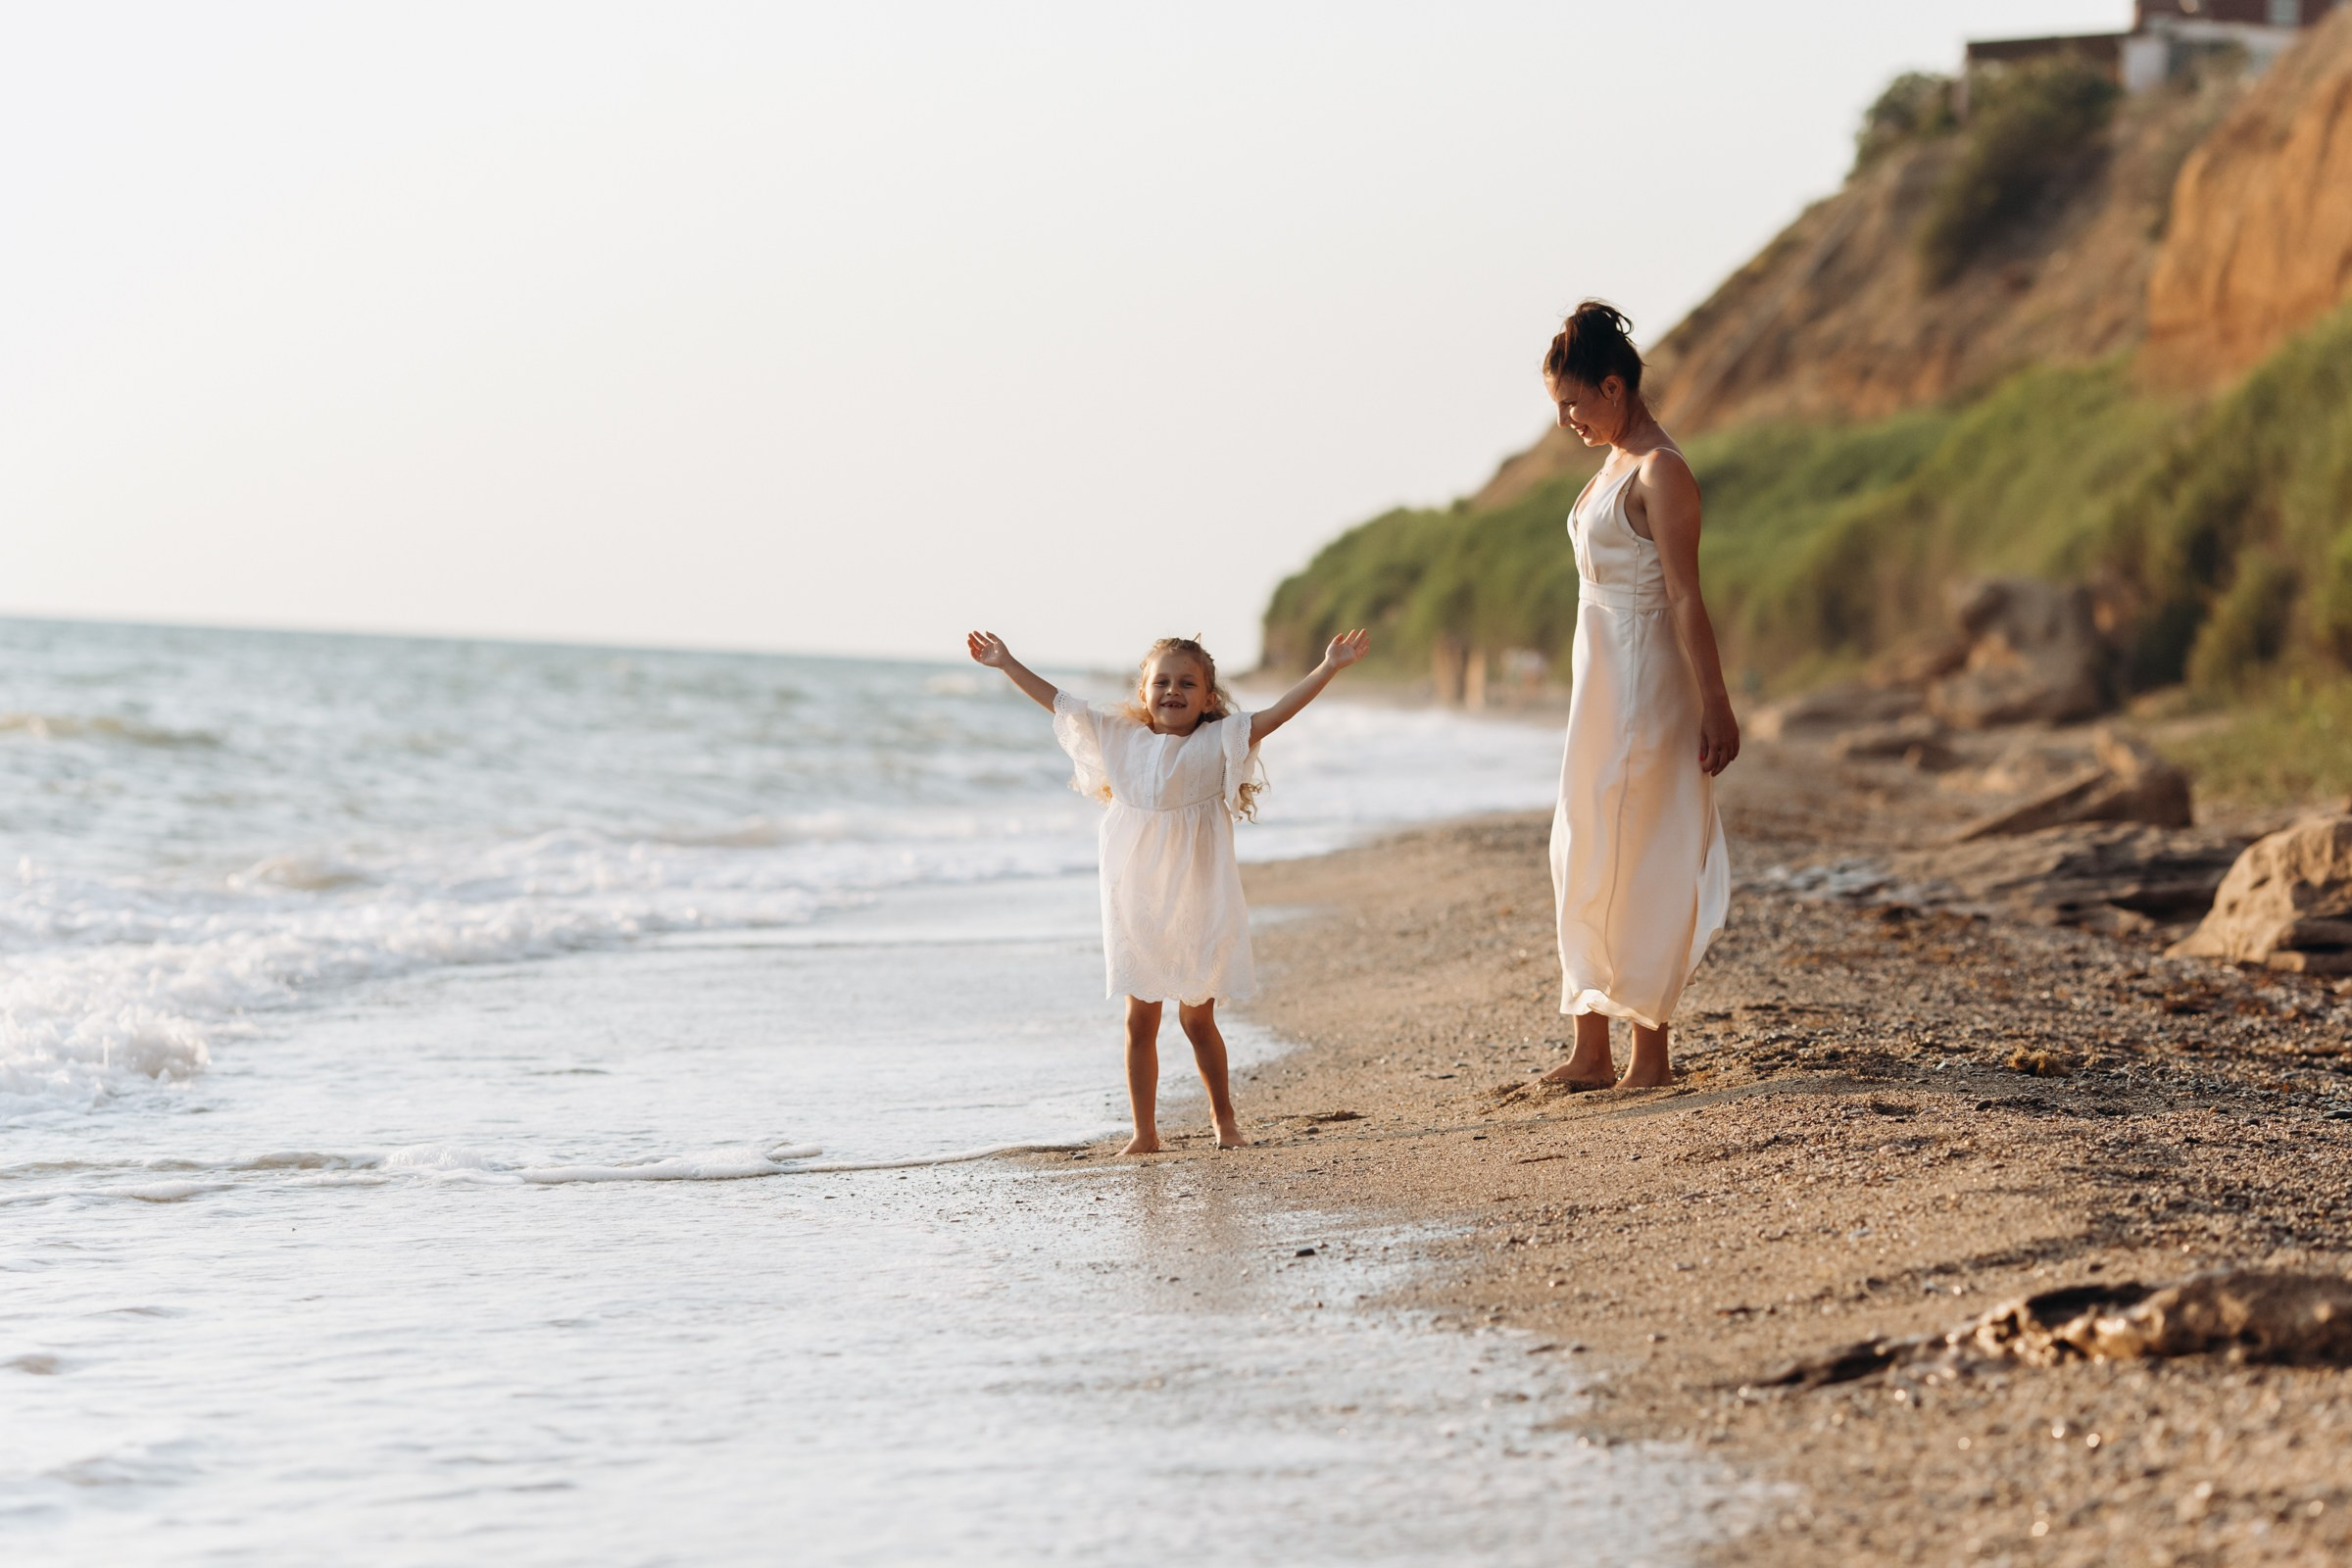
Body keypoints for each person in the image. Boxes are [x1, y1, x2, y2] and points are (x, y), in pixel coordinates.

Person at [966, 627, 1369, 1152]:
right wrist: (1007, 662)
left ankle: (1224, 1121)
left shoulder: (1218, 741)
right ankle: (1144, 1133)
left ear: (1208, 698)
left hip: (1199, 894)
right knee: (1140, 1018)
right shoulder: (1120, 737)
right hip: (1136, 897)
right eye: (1161, 682)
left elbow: (1278, 714)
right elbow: (1060, 704)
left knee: (1197, 1016)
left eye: (1186, 683)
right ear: (1143, 692)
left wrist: (1329, 667)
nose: (1172, 691)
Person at [1539, 301, 1737, 1092]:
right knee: (1580, 844)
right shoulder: (1612, 465)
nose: (1566, 421)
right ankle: (1590, 1047)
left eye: (1574, 403)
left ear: (1614, 386)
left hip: (1649, 683)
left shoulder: (1662, 471)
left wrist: (1717, 705)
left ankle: (1649, 1056)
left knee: (1646, 852)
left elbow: (1687, 597)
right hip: (1600, 685)